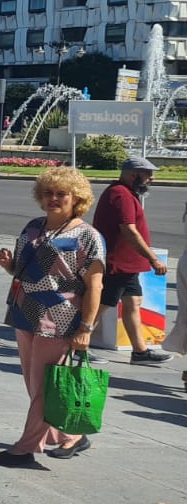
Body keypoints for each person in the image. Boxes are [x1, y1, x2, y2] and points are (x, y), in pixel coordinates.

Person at [0, 166, 105, 467]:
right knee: (35, 384)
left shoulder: (88, 236)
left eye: (61, 194)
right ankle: (71, 436)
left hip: (60, 318)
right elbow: (25, 270)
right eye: (48, 193)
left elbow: (95, 285)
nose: (53, 198)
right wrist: (8, 265)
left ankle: (25, 448)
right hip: (25, 312)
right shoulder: (33, 227)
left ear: (76, 198)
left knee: (43, 387)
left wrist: (86, 328)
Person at [90, 156, 175, 364]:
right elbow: (129, 230)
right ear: (134, 174)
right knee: (100, 305)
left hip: (127, 264)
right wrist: (153, 259)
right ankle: (75, 345)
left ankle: (139, 351)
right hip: (117, 263)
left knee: (133, 302)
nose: (151, 178)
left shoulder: (125, 193)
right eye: (148, 174)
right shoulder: (121, 195)